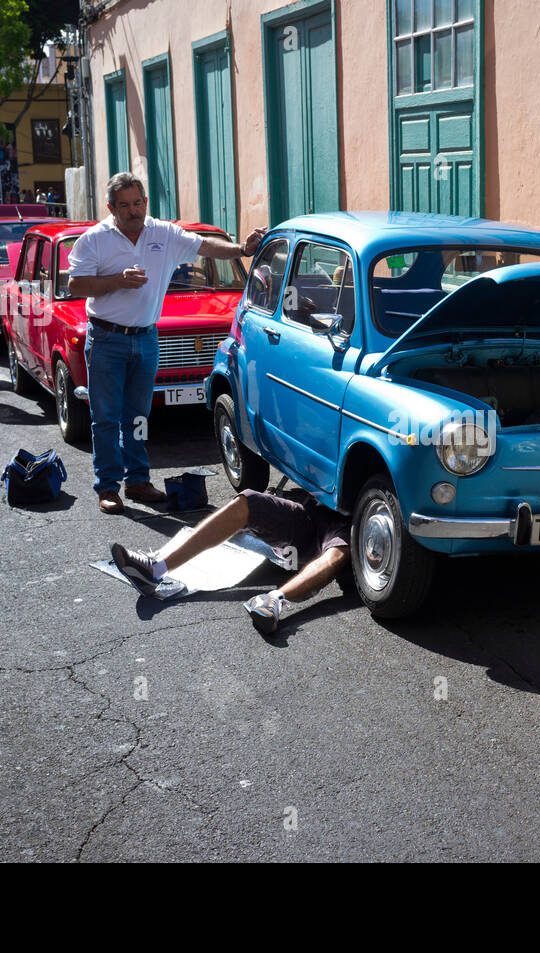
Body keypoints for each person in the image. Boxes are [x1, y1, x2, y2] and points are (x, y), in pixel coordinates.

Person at [66, 171, 265, 514]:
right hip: (107, 338)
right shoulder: (94, 240)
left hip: (146, 338)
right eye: (125, 205)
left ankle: (138, 481)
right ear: (111, 208)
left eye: (138, 203)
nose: (134, 211)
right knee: (105, 418)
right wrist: (117, 281)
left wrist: (241, 250)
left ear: (145, 201)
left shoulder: (163, 233)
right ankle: (108, 487)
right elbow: (76, 286)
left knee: (139, 416)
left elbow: (203, 246)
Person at [110, 486, 352, 634]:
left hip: (348, 525)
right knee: (248, 501)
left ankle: (273, 601)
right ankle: (155, 569)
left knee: (339, 553)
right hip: (311, 507)